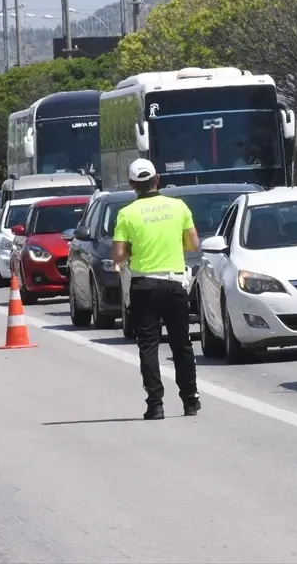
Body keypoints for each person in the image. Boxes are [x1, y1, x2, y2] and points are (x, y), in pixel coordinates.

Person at [111, 158, 201, 421]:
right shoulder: (178, 206)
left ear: (132, 185)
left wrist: (134, 249)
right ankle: (190, 401)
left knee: (148, 346)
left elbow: (118, 254)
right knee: (181, 344)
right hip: (174, 283)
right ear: (157, 179)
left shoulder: (127, 213)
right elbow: (193, 244)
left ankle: (155, 404)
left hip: (144, 285)